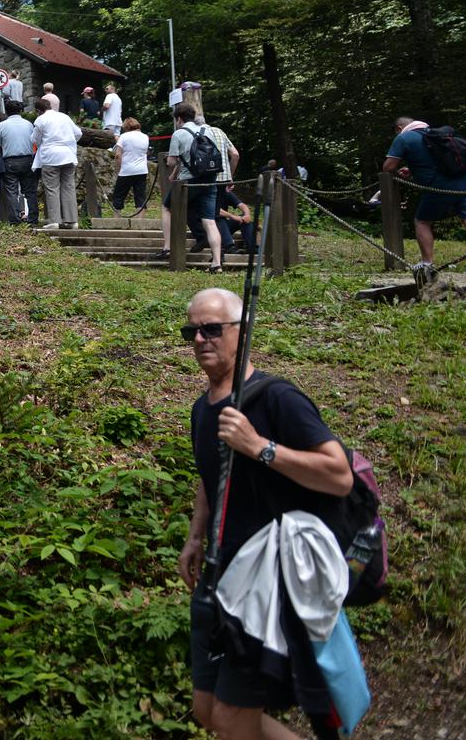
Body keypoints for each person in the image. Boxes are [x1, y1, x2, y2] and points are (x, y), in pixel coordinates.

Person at [177, 287, 354, 740]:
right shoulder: (203, 409)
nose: (200, 339)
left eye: (212, 329)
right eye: (191, 331)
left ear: (243, 331)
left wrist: (260, 447)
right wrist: (196, 536)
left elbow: (339, 475)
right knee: (206, 708)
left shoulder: (277, 398)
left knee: (232, 719)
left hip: (262, 585)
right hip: (215, 576)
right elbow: (208, 474)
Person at [382, 116, 466, 276]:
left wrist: (397, 171)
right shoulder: (435, 134)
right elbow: (439, 160)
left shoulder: (404, 137)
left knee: (422, 221)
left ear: (399, 128)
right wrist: (412, 170)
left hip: (442, 185)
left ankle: (427, 264)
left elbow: (388, 167)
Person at [158, 103, 240, 271]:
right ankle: (216, 263)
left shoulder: (179, 134)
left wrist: (172, 160)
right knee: (209, 220)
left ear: (178, 119)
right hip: (209, 179)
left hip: (188, 181)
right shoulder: (207, 130)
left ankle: (168, 247)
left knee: (167, 208)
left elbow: (172, 161)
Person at [32, 94, 83, 229]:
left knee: (52, 188)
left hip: (50, 156)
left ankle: (55, 220)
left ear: (38, 110)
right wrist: (69, 143)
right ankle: (72, 220)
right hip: (68, 155)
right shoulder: (64, 117)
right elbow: (78, 133)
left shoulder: (40, 120)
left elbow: (35, 140)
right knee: (69, 187)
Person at [0, 100, 37, 225]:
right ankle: (32, 218)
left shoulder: (2, 125)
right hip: (28, 160)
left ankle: (15, 219)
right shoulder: (28, 124)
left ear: (7, 110)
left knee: (12, 191)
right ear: (20, 111)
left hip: (9, 161)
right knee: (30, 191)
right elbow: (34, 143)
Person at [110, 117, 151, 216]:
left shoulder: (124, 136)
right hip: (141, 170)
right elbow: (146, 153)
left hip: (126, 170)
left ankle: (116, 220)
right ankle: (140, 222)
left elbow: (118, 155)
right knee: (140, 196)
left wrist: (118, 168)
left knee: (119, 195)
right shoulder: (145, 136)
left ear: (126, 126)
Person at [215, 187, 255, 257]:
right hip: (210, 229)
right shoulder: (209, 192)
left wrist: (247, 215)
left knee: (244, 218)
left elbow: (243, 205)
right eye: (230, 184)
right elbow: (215, 210)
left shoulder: (226, 193)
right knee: (219, 218)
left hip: (223, 229)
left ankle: (252, 247)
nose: (233, 186)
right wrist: (233, 217)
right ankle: (230, 247)